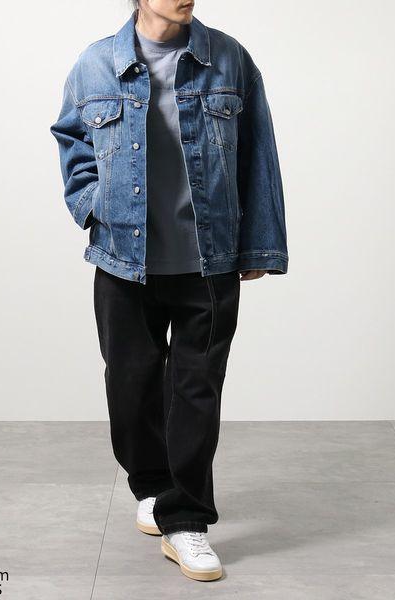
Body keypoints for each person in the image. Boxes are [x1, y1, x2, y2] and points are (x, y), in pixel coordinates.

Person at [50, 0, 287, 582]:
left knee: (196, 391)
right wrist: (92, 206)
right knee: (130, 388)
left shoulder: (229, 58)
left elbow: (258, 151)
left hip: (208, 260)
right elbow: (72, 140)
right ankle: (153, 486)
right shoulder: (95, 64)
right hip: (123, 261)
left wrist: (258, 245)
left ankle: (187, 520)